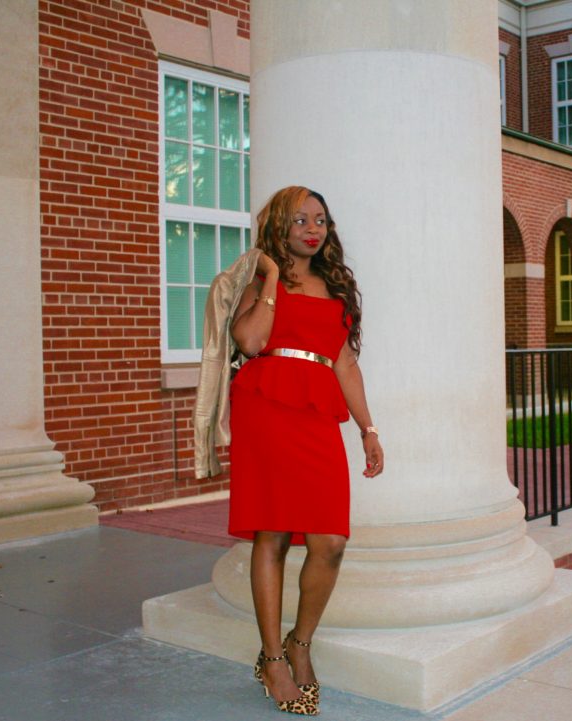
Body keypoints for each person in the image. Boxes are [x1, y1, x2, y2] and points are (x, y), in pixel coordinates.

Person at [228, 186, 384, 715]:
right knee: (271, 533)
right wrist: (272, 277)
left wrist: (368, 428)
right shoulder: (258, 281)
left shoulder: (336, 287)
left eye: (319, 219)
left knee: (330, 541)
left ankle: (300, 641)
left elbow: (344, 364)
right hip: (267, 406)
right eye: (299, 220)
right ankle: (273, 658)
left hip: (316, 411)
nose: (312, 229)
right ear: (279, 226)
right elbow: (250, 342)